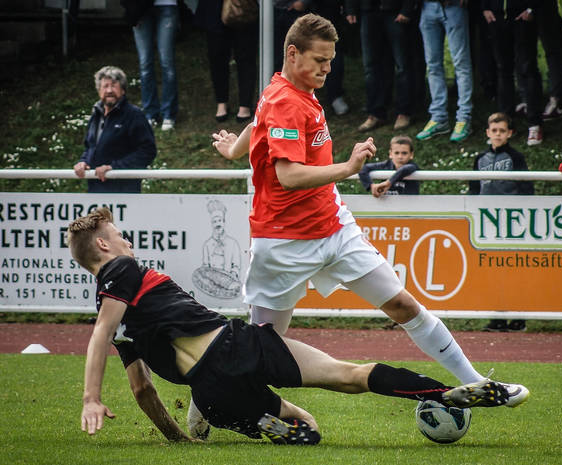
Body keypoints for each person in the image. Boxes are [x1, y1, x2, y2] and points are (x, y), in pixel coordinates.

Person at [212, 14, 529, 410]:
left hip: (333, 228)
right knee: (261, 346)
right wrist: (347, 169)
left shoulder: (282, 88)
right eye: (320, 60)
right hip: (283, 241)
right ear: (293, 54)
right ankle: (210, 390)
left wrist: (234, 150)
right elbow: (288, 175)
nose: (328, 68)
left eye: (330, 59)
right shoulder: (285, 102)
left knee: (402, 305)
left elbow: (259, 120)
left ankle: (479, 384)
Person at [68, 207, 514, 444]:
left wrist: (178, 441)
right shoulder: (120, 271)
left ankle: (264, 422)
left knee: (309, 430)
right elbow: (99, 334)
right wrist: (90, 397)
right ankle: (443, 392)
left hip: (211, 394)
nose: (126, 240)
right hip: (236, 347)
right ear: (104, 245)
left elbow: (143, 389)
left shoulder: (123, 318)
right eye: (119, 233)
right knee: (349, 375)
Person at [469, 112, 533, 333]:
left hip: (513, 223)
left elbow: (527, 190)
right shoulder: (479, 159)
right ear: (488, 132)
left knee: (514, 269)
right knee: (491, 270)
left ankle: (518, 318)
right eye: (494, 130)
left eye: (502, 131)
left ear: (509, 133)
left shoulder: (517, 157)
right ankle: (496, 318)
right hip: (487, 224)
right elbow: (473, 191)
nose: (497, 134)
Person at [73, 66, 157, 193]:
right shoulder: (95, 115)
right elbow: (89, 147)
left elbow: (148, 151)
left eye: (114, 86)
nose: (109, 90)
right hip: (95, 190)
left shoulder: (134, 115)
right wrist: (83, 162)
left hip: (124, 192)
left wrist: (114, 168)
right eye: (105, 86)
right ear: (99, 91)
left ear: (123, 90)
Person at [345, 0, 415, 131]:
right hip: (368, 11)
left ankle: (404, 112)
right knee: (371, 66)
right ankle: (376, 113)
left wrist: (407, 9)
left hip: (395, 11)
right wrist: (350, 8)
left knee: (402, 65)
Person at [482, 0, 544, 146]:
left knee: (527, 68)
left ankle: (535, 124)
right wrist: (485, 8)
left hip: (521, 15)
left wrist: (531, 8)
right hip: (496, 16)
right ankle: (505, 125)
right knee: (503, 69)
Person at [416, 0, 474, 143]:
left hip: (453, 6)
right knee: (433, 65)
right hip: (427, 7)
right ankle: (439, 117)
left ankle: (464, 118)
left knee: (461, 64)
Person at [193, 0, 258, 123]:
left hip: (243, 7)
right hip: (213, 10)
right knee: (217, 57)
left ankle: (245, 105)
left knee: (245, 56)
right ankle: (221, 102)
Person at [127, 0, 179, 130]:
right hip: (139, 8)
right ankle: (150, 114)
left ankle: (169, 114)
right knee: (145, 64)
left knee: (167, 63)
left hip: (166, 4)